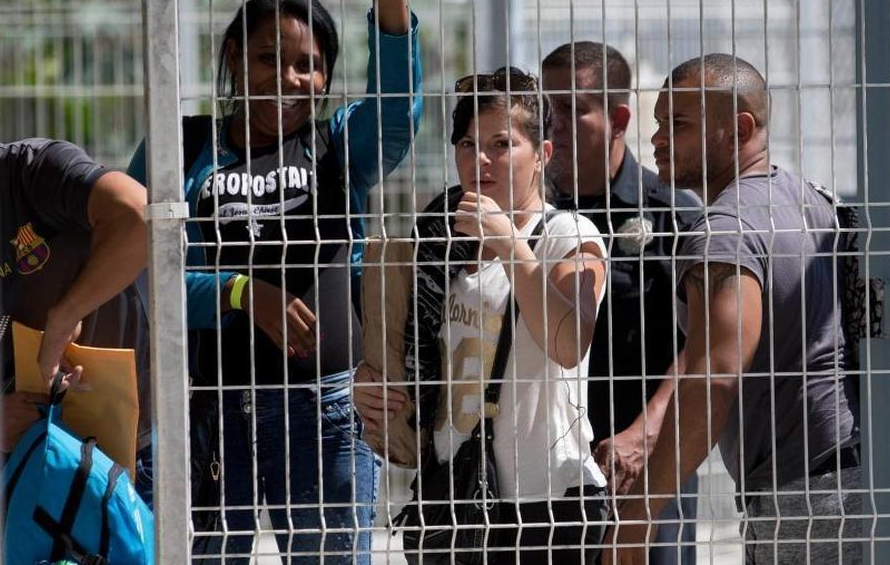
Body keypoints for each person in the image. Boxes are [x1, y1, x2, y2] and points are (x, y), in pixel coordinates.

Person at [127, 0, 422, 563]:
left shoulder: (339, 147)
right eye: (269, 58)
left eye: (308, 65)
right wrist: (238, 293)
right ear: (235, 57)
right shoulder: (180, 148)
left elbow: (396, 113)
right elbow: (138, 268)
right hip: (208, 413)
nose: (288, 78)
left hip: (326, 415)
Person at [605, 54, 862, 565]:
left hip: (803, 495)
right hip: (850, 474)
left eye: (678, 124)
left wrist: (641, 515)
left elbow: (714, 377)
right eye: (658, 122)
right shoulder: (809, 201)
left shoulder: (724, 231)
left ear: (738, 128)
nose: (657, 139)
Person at [355, 67, 610, 564]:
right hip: (452, 497)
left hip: (545, 503)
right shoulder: (440, 245)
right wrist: (375, 386)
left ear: (542, 156)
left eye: (502, 143)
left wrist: (511, 244)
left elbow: (569, 342)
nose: (482, 159)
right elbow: (423, 362)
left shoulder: (568, 235)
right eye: (468, 144)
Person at [541, 42, 700, 565]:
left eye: (572, 108)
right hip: (543, 469)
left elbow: (706, 345)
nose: (553, 124)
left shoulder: (671, 213)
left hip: (644, 467)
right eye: (545, 108)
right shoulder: (527, 219)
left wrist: (645, 432)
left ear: (618, 118)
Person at [0, 137, 148, 452]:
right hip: (19, 452)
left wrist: (65, 315)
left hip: (124, 439)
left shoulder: (34, 170)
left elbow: (139, 215)